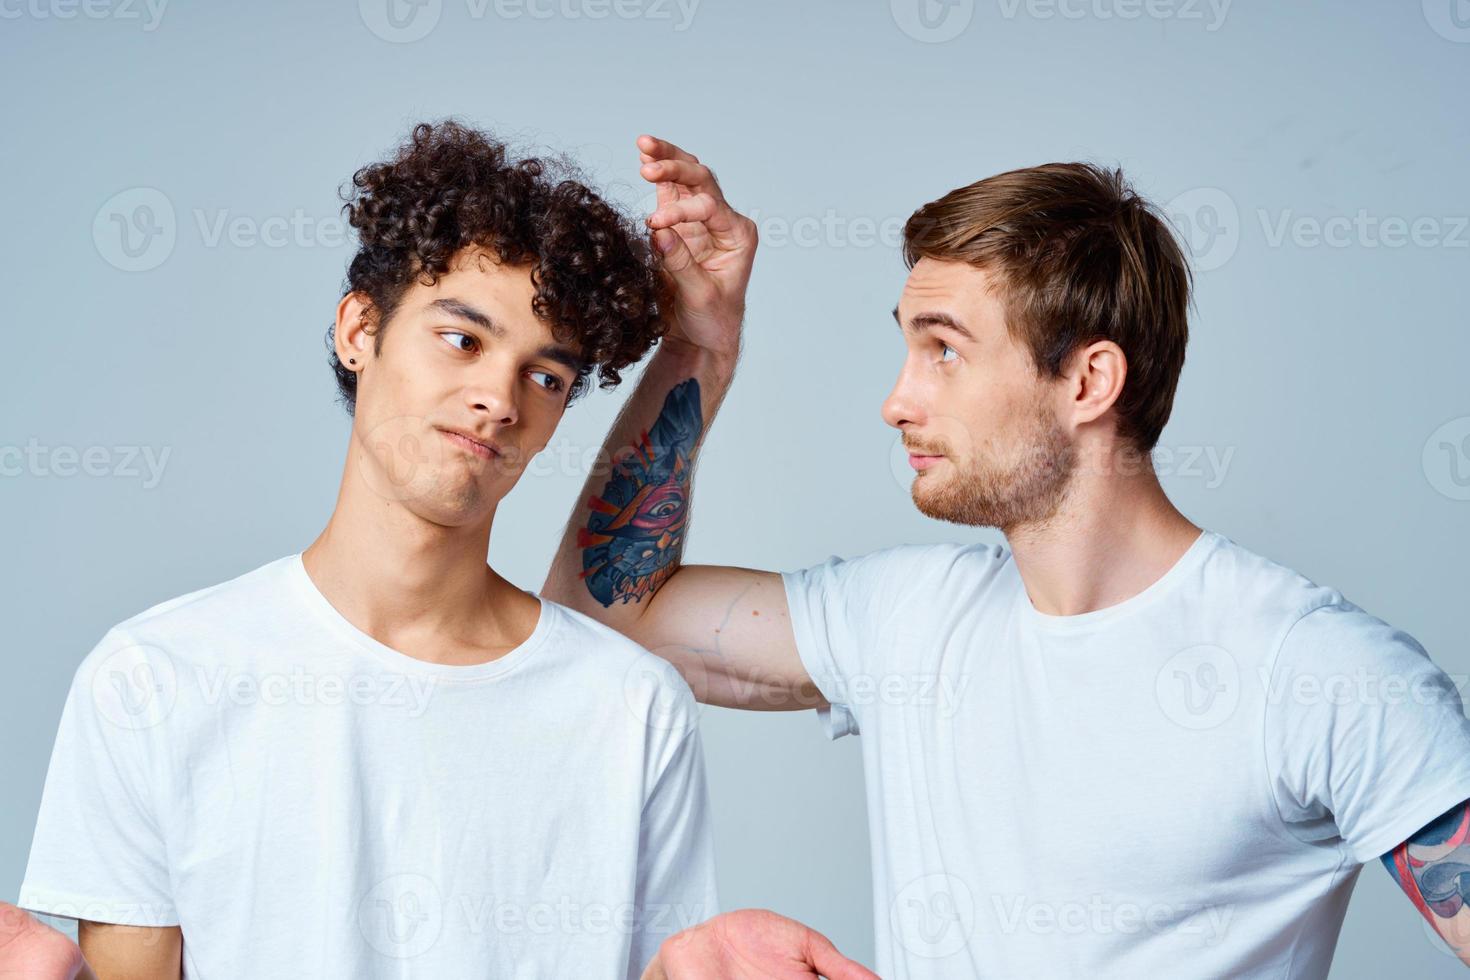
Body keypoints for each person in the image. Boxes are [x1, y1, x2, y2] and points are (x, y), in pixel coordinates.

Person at [541, 136, 1470, 977]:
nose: (897, 401)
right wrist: (701, 341)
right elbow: (604, 614)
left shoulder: (1320, 673)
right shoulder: (905, 621)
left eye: (943, 351)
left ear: (1088, 380)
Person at [8, 119, 748, 980]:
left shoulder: (631, 707)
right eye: (462, 339)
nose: (498, 400)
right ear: (360, 331)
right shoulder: (154, 679)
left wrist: (702, 341)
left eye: (544, 376)